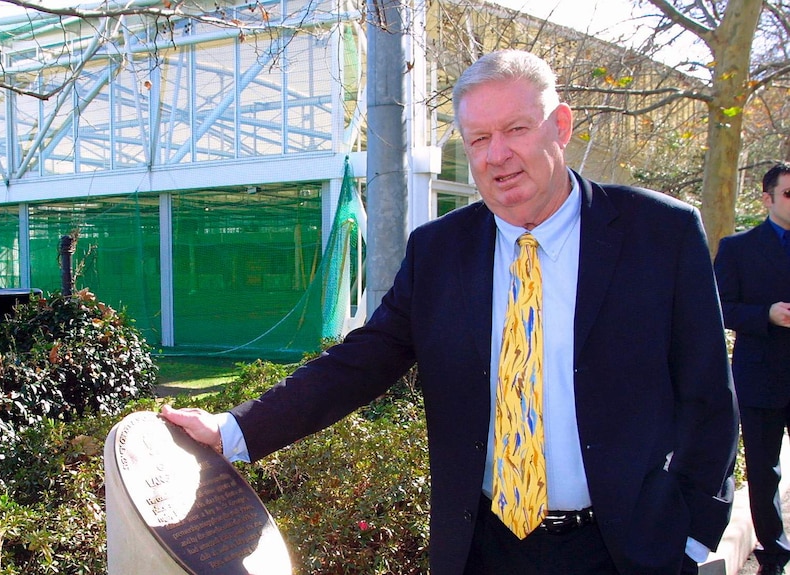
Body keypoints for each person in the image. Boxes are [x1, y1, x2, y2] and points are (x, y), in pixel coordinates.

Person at [161, 49, 738, 575]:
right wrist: (234, 429)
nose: (498, 155)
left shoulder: (660, 235)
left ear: (559, 126)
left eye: (516, 129)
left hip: (624, 549)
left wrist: (693, 537)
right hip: (483, 548)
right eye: (479, 138)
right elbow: (362, 359)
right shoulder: (440, 250)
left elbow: (709, 395)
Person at [714, 162, 790, 575]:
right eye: (788, 194)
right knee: (763, 472)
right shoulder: (738, 248)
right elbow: (718, 306)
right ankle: (774, 557)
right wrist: (766, 314)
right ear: (767, 198)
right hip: (761, 376)